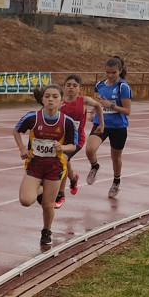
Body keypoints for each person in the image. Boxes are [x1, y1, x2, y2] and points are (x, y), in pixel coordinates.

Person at [14, 84, 78, 246]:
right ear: (42, 99)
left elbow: (72, 145)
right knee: (26, 200)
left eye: (55, 96)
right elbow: (16, 131)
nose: (50, 99)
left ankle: (46, 230)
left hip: (54, 167)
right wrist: (22, 149)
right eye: (47, 96)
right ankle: (40, 189)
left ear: (61, 101)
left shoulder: (67, 122)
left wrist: (62, 147)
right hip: (35, 164)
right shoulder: (32, 118)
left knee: (48, 205)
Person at [85, 55, 133, 198]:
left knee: (115, 157)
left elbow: (127, 111)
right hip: (102, 123)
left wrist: (110, 105)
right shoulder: (100, 85)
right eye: (108, 72)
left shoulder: (123, 87)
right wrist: (94, 111)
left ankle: (116, 182)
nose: (110, 75)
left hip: (118, 126)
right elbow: (98, 102)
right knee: (89, 149)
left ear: (120, 71)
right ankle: (95, 166)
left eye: (114, 72)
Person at [54, 74, 103, 208]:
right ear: (63, 87)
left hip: (76, 140)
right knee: (65, 160)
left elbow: (98, 106)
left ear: (80, 89)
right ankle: (73, 179)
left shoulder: (84, 101)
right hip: (61, 139)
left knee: (63, 160)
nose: (71, 88)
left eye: (75, 86)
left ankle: (60, 194)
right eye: (68, 85)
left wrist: (101, 124)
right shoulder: (59, 102)